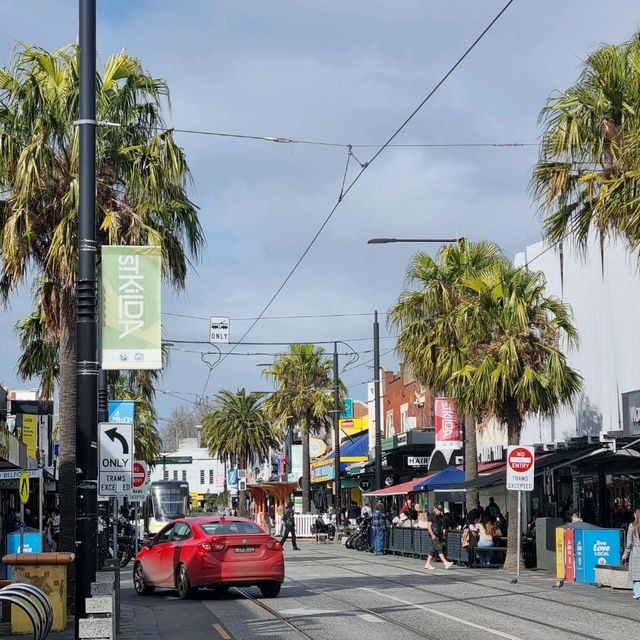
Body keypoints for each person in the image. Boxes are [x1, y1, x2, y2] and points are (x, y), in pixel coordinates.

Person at [425, 504, 453, 570]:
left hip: (439, 534)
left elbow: (443, 524)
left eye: (440, 510)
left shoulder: (441, 517)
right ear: (435, 509)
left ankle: (427, 564)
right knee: (439, 548)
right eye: (438, 510)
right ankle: (445, 563)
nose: (439, 511)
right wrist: (432, 535)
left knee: (433, 549)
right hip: (434, 535)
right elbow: (429, 526)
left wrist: (443, 516)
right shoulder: (431, 516)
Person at [622, 508, 640, 600]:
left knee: (636, 575)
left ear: (635, 515)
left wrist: (625, 554)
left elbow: (629, 543)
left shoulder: (632, 526)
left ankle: (638, 593)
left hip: (636, 553)